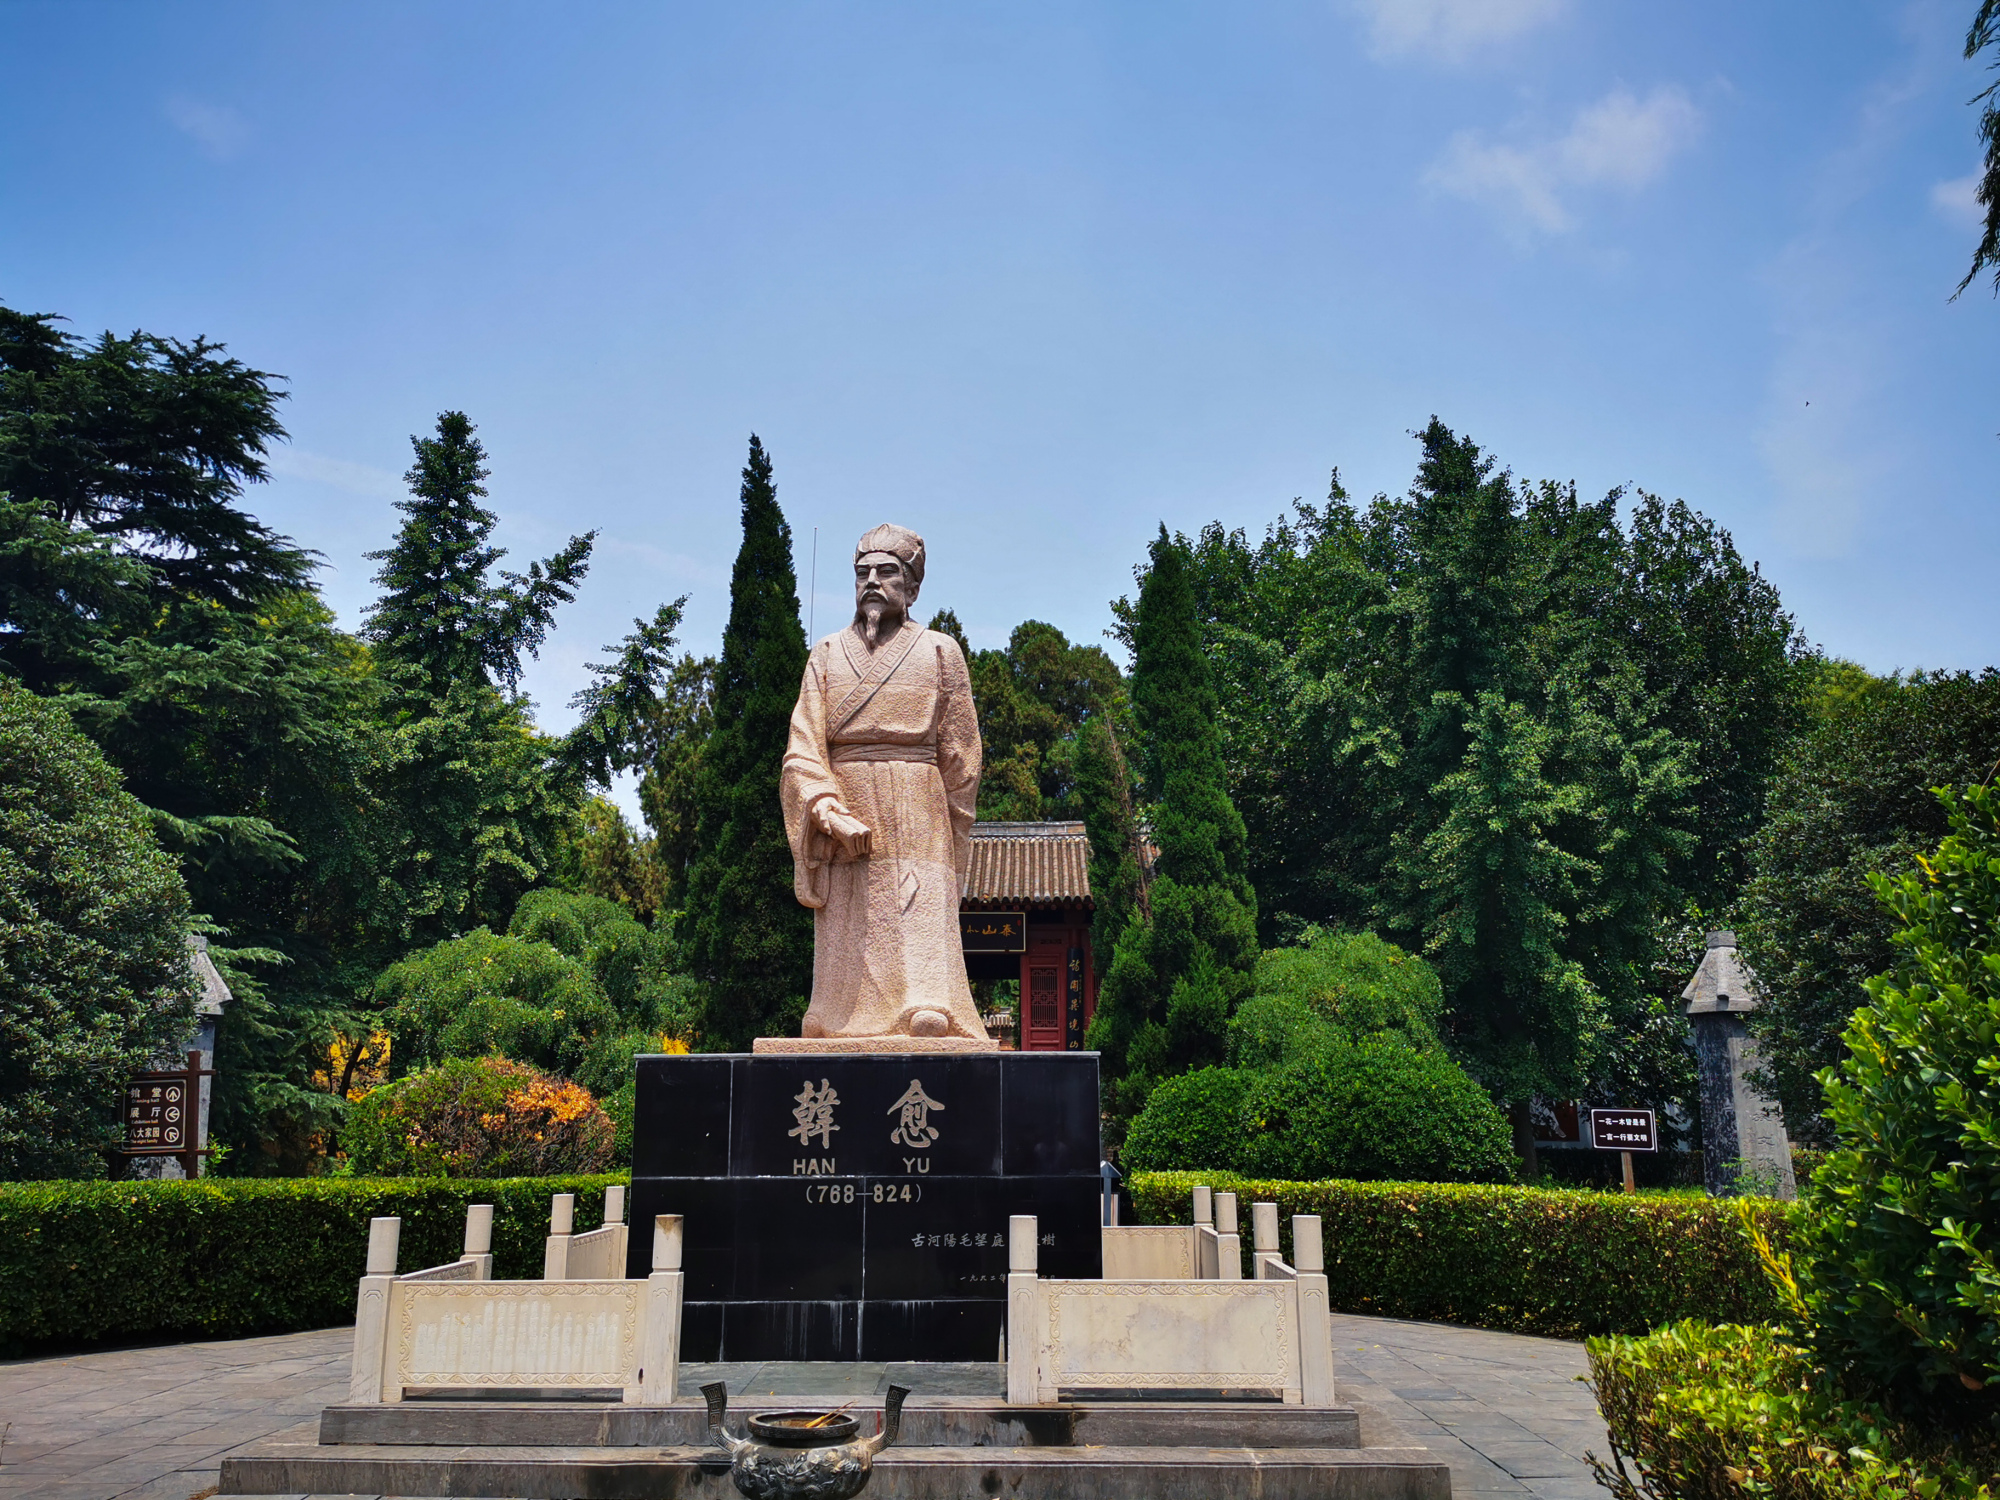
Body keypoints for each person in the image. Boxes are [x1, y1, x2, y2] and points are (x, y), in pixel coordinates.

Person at [779, 523, 990, 1043]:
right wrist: (824, 807)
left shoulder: (941, 651)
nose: (872, 581)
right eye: (862, 572)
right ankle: (834, 1011)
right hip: (844, 793)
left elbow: (962, 756)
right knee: (851, 915)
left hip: (918, 798)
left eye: (887, 572)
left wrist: (953, 829)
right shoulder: (826, 653)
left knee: (915, 897)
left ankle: (927, 1000)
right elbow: (802, 745)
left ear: (912, 586)